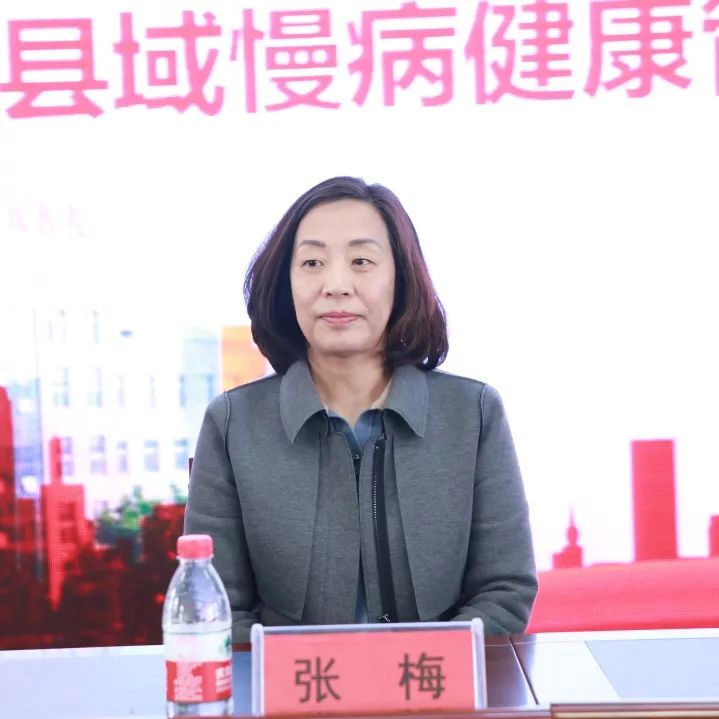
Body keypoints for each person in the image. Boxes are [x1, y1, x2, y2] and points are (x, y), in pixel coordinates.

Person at [184, 176, 537, 642]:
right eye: (312, 262)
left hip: (433, 685)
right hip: (293, 688)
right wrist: (304, 672)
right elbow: (217, 607)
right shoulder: (233, 424)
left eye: (361, 262)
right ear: (286, 284)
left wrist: (413, 670)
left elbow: (505, 592)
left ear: (401, 279)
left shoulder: (472, 415)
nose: (336, 285)